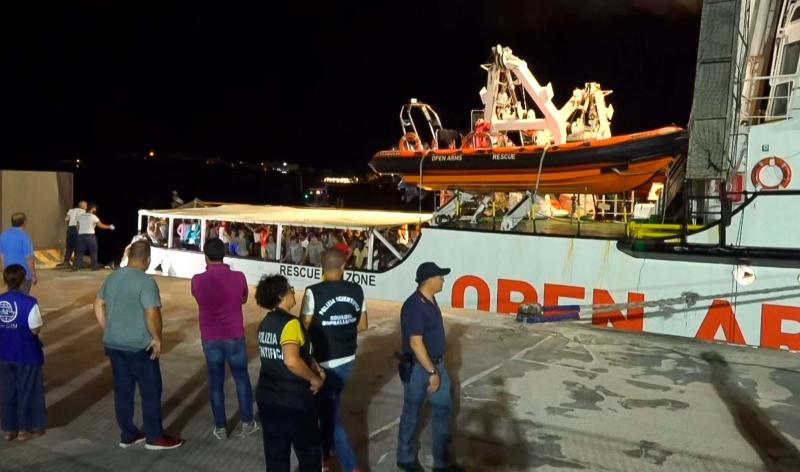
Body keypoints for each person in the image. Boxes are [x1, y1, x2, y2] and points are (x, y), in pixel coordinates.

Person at [93, 241, 183, 450]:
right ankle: (154, 436)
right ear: (148, 259)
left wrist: (108, 329)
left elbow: (98, 304)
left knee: (123, 391)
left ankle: (128, 434)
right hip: (139, 347)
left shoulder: (113, 276)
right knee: (151, 391)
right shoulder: (145, 281)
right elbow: (152, 313)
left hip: (114, 345)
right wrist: (158, 339)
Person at [301, 250, 367, 472]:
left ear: (321, 266)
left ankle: (350, 466)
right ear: (343, 267)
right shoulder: (357, 290)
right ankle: (325, 454)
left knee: (330, 414)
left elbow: (303, 329)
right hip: (348, 358)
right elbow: (363, 325)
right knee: (328, 409)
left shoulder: (313, 292)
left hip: (322, 363)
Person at [396, 262, 464, 472]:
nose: (443, 280)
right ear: (429, 280)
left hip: (436, 365)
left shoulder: (430, 300)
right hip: (421, 369)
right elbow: (416, 343)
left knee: (443, 411)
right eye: (440, 277)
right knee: (412, 413)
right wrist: (432, 373)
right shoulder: (414, 306)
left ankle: (442, 463)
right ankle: (405, 458)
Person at [255, 274, 325, 472]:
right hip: (293, 400)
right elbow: (291, 360)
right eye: (290, 289)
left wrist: (313, 363)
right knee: (309, 454)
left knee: (276, 455)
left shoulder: (265, 324)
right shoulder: (291, 323)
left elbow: (281, 355)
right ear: (281, 295)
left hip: (268, 396)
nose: (294, 292)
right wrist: (315, 379)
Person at [191, 239, 258, 440]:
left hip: (211, 337)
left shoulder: (197, 280)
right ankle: (247, 422)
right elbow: (244, 299)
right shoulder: (238, 277)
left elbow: (198, 298)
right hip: (234, 335)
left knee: (216, 381)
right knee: (241, 378)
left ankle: (220, 427)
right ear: (224, 254)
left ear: (205, 256)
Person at [0, 264, 46, 441]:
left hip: (4, 354)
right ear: (22, 281)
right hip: (26, 354)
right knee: (27, 390)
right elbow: (34, 329)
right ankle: (24, 430)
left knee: (7, 391)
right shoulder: (29, 302)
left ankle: (8, 429)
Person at [0, 213, 37, 295]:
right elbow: (29, 258)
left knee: (12, 296)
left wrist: (5, 271)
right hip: (23, 274)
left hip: (10, 274)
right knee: (23, 297)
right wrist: (33, 274)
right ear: (24, 222)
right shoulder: (25, 236)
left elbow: (2, 256)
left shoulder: (3, 235)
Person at [75, 204, 114, 271]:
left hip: (81, 236)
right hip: (90, 236)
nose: (96, 210)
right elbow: (100, 225)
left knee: (80, 252)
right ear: (92, 209)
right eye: (95, 208)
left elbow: (77, 226)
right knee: (93, 251)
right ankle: (94, 267)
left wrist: (80, 232)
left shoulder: (80, 216)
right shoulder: (93, 217)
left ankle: (76, 266)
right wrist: (109, 226)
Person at [62, 200, 87, 266]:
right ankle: (77, 263)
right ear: (83, 206)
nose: (86, 207)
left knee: (69, 246)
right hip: (77, 229)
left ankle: (66, 262)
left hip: (70, 229)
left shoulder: (71, 210)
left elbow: (66, 219)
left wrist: (70, 224)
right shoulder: (83, 212)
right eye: (86, 205)